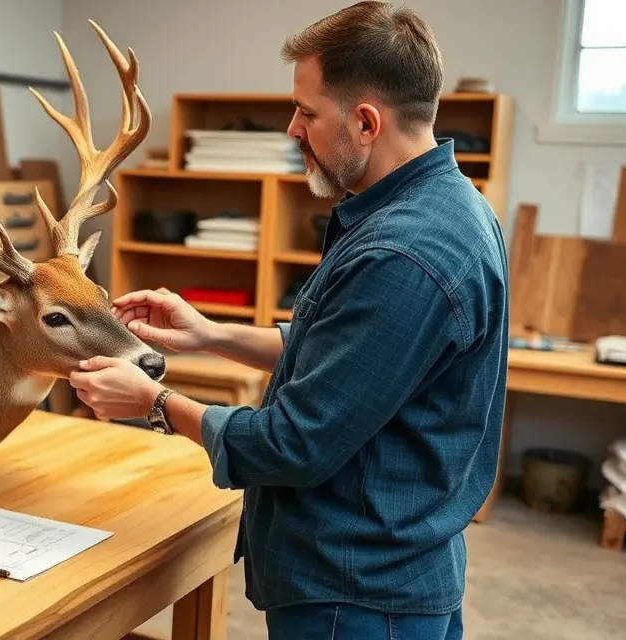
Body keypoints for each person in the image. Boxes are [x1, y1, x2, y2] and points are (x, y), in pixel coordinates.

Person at [68, 2, 509, 639]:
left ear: (366, 122)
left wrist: (153, 402)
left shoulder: (405, 254)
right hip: (389, 575)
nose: (292, 128)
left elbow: (292, 444)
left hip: (356, 594)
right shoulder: (447, 204)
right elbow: (353, 360)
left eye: (307, 112)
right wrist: (211, 335)